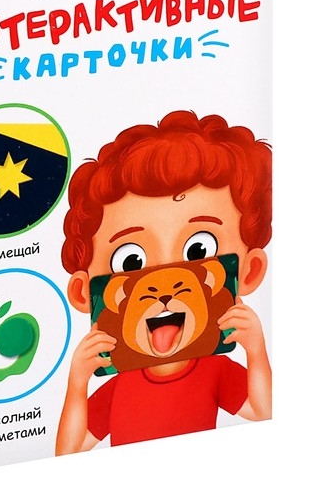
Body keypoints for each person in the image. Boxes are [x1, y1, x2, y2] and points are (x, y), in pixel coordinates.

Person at [55, 110, 272, 454]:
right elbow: (69, 451)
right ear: (84, 293)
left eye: (198, 250)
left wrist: (256, 351)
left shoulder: (214, 369)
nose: (164, 287)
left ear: (250, 271)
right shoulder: (120, 384)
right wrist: (77, 381)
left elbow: (265, 411)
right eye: (131, 261)